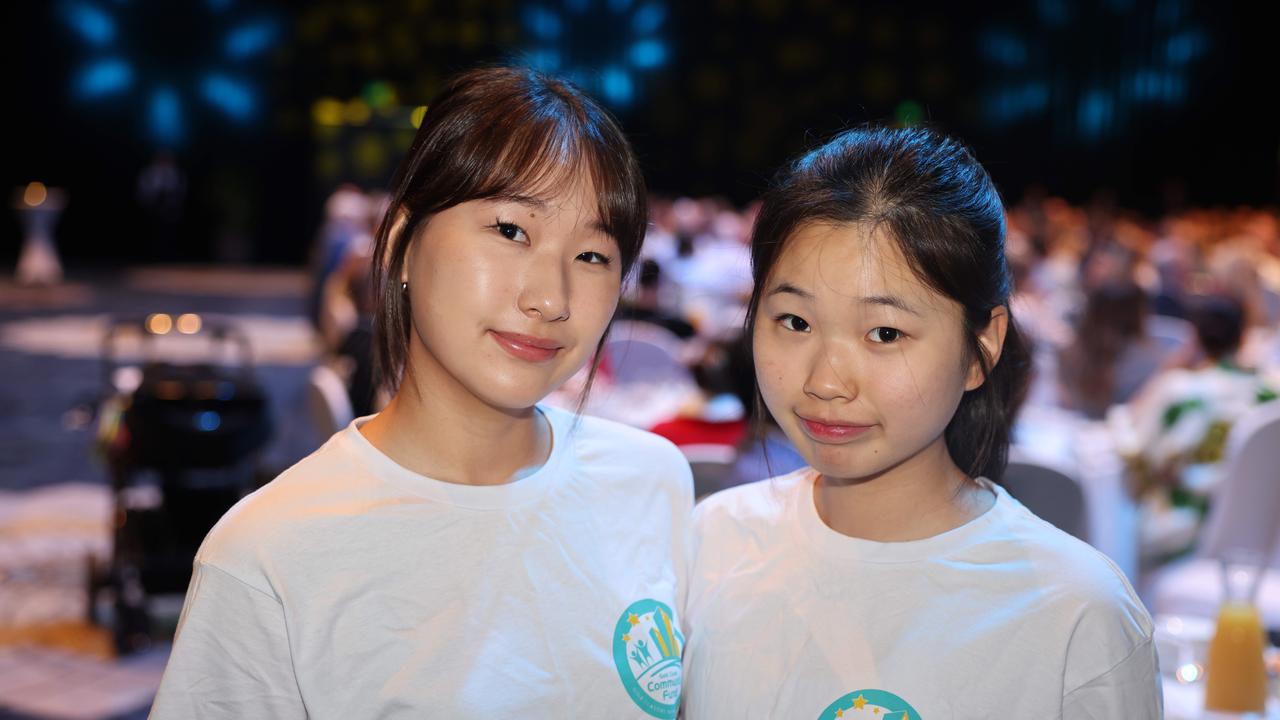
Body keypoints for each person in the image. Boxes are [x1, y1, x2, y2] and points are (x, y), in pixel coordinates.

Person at [152, 67, 693, 718]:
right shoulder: (270, 556)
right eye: (511, 231)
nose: (550, 298)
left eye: (593, 256)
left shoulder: (652, 481)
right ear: (405, 242)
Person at [681, 126, 1162, 718]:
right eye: (794, 321)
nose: (826, 381)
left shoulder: (1076, 615)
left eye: (884, 333)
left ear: (981, 348)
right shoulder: (713, 540)